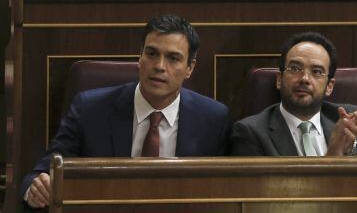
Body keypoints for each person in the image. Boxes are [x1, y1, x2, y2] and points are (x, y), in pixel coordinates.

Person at [20, 15, 230, 209]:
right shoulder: (90, 110)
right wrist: (36, 189)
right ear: (140, 56)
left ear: (190, 68)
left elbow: (224, 195)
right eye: (151, 53)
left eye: (173, 58)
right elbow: (41, 174)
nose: (159, 66)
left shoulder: (213, 120)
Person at [231, 32, 357, 156]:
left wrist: (351, 151)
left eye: (317, 72)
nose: (304, 79)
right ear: (279, 79)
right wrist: (333, 157)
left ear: (329, 86)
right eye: (295, 69)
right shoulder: (250, 133)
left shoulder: (354, 121)